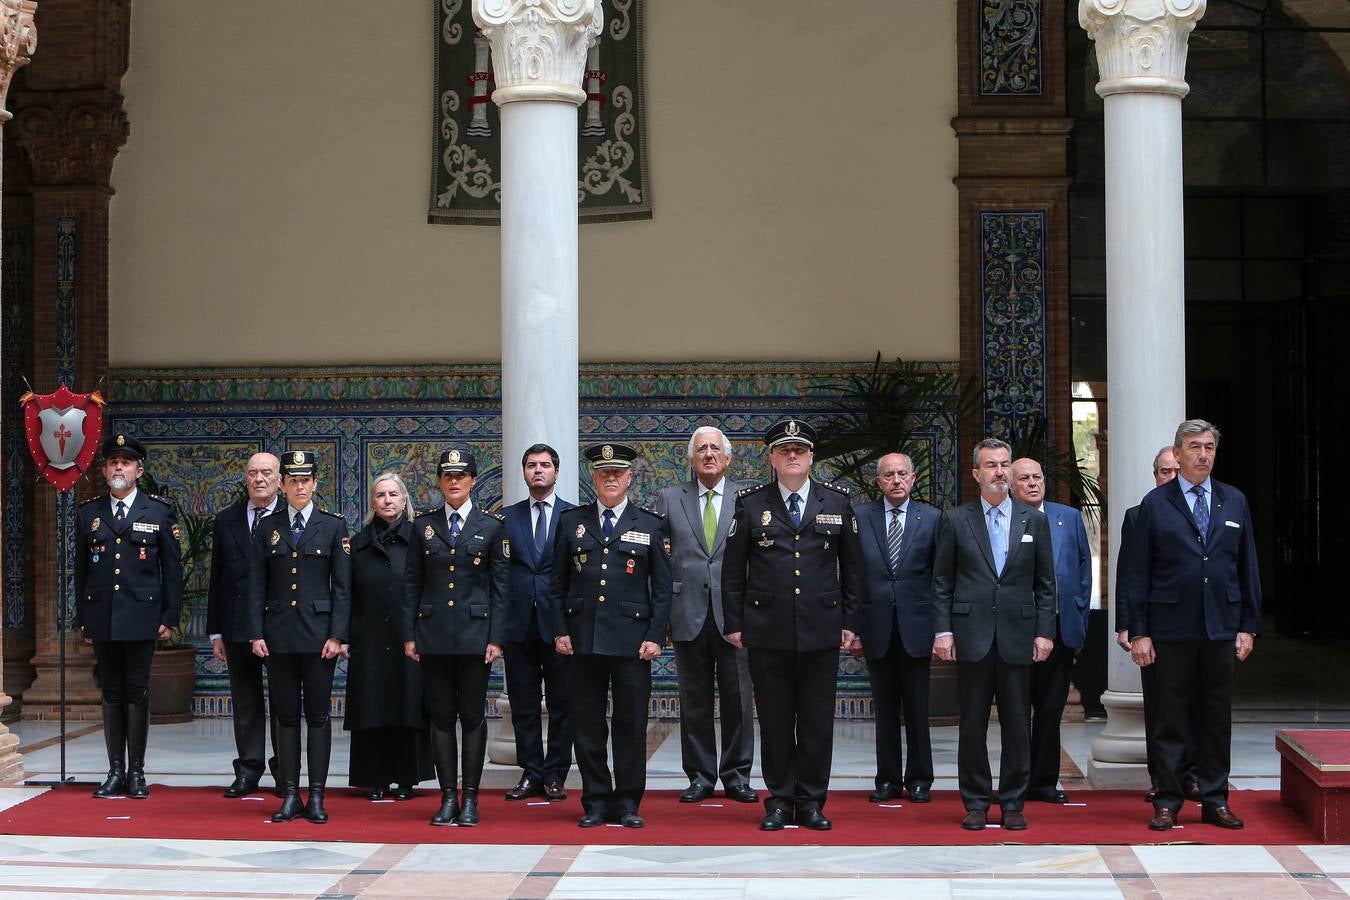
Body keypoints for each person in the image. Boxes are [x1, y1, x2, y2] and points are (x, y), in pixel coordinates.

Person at [1120, 419, 1260, 831]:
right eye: (1195, 447)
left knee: (1215, 717)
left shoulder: (1234, 501)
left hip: (1220, 625)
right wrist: (1139, 630)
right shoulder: (1155, 504)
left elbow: (1246, 565)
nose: (1203, 454)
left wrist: (1248, 625)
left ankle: (1215, 799)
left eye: (1210, 447)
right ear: (1177, 454)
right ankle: (1167, 798)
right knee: (1169, 717)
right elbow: (1136, 574)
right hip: (1169, 627)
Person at [723, 418, 862, 832]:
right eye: (784, 450)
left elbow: (853, 570)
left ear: (811, 456)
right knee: (776, 720)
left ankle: (813, 801)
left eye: (799, 449)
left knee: (818, 721)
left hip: (822, 628)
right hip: (767, 630)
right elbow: (733, 572)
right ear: (772, 458)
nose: (792, 456)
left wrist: (850, 622)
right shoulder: (750, 504)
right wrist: (734, 622)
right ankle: (780, 801)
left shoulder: (837, 502)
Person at [932, 438, 1056, 831]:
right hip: (972, 635)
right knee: (972, 724)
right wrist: (944, 631)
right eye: (991, 465)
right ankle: (975, 802)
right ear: (976, 473)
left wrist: (1044, 632)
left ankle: (1014, 802)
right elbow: (941, 583)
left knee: (1018, 724)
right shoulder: (955, 520)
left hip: (1019, 635)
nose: (999, 472)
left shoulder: (1033, 520)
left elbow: (1046, 583)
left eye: (1004, 465)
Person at [551, 442, 671, 829]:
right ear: (594, 477)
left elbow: (664, 589)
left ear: (629, 477)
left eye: (618, 473)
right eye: (604, 473)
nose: (611, 478)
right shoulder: (572, 522)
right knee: (587, 724)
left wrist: (656, 636)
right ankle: (596, 800)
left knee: (631, 724)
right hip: (583, 639)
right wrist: (559, 631)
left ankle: (628, 802)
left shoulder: (650, 524)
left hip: (632, 643)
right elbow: (556, 585)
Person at [404, 449, 509, 826]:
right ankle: (448, 796)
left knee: (472, 718)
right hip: (432, 636)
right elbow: (412, 584)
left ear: (473, 480)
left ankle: (471, 799)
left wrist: (497, 638)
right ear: (439, 480)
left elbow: (500, 588)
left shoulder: (492, 526)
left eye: (461, 475)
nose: (453, 481)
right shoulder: (423, 526)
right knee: (441, 719)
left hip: (475, 637)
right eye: (447, 475)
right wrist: (409, 635)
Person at [76, 434, 183, 800]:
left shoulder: (157, 511)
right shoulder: (88, 513)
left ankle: (136, 772)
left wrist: (169, 615)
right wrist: (82, 619)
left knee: (136, 692)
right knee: (111, 693)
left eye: (126, 462)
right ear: (104, 470)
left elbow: (172, 567)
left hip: (142, 616)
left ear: (139, 469)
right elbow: (79, 571)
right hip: (102, 616)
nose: (119, 467)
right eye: (113, 462)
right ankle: (114, 771)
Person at [654, 426, 757, 805]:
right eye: (702, 449)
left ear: (728, 458)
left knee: (739, 700)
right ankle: (699, 775)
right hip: (686, 612)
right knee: (693, 699)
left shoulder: (746, 499)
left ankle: (737, 775)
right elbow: (658, 559)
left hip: (734, 616)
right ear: (691, 459)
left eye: (716, 448)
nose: (709, 454)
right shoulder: (669, 498)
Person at [247, 450, 351, 824]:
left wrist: (338, 635)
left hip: (320, 638)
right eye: (293, 480)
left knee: (319, 718)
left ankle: (318, 795)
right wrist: (255, 633)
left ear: (315, 484)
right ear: (282, 484)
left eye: (305, 480)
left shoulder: (333, 525)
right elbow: (256, 584)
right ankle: (290, 793)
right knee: (285, 718)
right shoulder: (267, 526)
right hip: (277, 637)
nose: (299, 486)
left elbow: (342, 587)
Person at [851, 452, 939, 805]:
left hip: (918, 627)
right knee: (884, 710)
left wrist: (941, 629)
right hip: (876, 627)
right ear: (879, 482)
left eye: (903, 474)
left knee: (918, 709)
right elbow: (853, 577)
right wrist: (853, 626)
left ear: (914, 478)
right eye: (889, 475)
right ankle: (887, 779)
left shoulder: (932, 519)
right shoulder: (860, 517)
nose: (897, 480)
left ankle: (920, 779)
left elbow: (939, 576)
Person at [1116, 444, 1197, 803]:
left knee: (1196, 706)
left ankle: (1192, 775)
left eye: (1178, 471)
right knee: (1161, 707)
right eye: (1166, 472)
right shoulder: (1140, 514)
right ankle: (1163, 777)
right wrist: (1129, 626)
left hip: (1199, 628)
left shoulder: (1205, 511)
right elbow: (1128, 576)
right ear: (1155, 476)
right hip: (1156, 628)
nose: (1172, 478)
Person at [1009, 457, 1092, 804]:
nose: (1033, 483)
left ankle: (1044, 782)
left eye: (1037, 476)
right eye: (1024, 478)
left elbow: (1084, 573)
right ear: (1011, 485)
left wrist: (1080, 623)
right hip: (1016, 631)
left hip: (1059, 630)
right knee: (1016, 712)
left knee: (1050, 710)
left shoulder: (1067, 517)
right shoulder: (1005, 519)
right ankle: (1016, 781)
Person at [345, 472, 432, 800]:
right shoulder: (358, 544)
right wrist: (344, 636)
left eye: (393, 494)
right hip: (368, 637)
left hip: (409, 638)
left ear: (404, 499)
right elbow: (347, 593)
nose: (387, 500)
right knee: (373, 706)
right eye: (381, 495)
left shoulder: (419, 539)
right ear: (373, 502)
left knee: (408, 705)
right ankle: (376, 778)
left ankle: (407, 778)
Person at [500, 443, 575, 802]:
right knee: (524, 704)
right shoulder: (506, 517)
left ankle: (556, 774)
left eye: (545, 465)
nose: (538, 471)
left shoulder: (574, 517)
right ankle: (531, 771)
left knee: (563, 703)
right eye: (531, 465)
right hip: (517, 625)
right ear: (524, 472)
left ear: (557, 472)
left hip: (560, 625)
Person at [208, 451, 281, 799]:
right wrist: (215, 631)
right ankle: (249, 769)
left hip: (281, 624)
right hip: (237, 624)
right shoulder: (227, 519)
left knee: (283, 701)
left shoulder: (291, 516)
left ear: (279, 479)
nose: (259, 479)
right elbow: (217, 578)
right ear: (245, 478)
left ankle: (286, 770)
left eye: (267, 472)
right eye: (252, 473)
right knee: (246, 700)